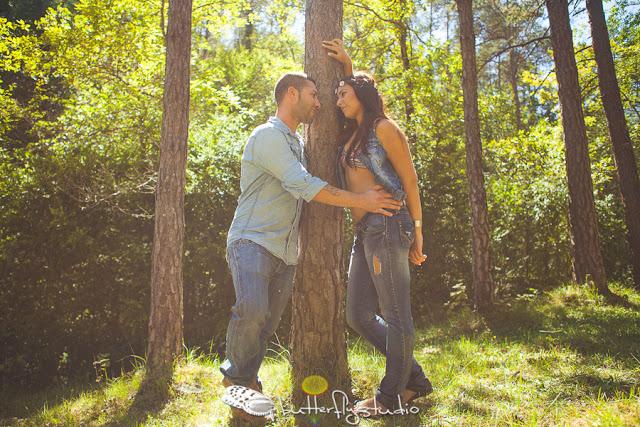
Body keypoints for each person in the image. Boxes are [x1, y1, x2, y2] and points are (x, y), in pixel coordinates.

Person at [220, 71, 404, 398]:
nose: (320, 103)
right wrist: (362, 201)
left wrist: (347, 66)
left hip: (286, 251)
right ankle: (237, 379)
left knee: (265, 325)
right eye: (314, 96)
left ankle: (246, 382)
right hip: (252, 240)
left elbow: (360, 110)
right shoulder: (267, 136)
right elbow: (303, 185)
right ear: (292, 94)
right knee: (252, 309)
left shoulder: (300, 146)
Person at [322, 39, 432, 415]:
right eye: (337, 94)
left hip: (389, 225)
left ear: (362, 95)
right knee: (357, 314)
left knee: (397, 313)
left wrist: (417, 230)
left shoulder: (383, 127)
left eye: (344, 93)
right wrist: (347, 69)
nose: (338, 99)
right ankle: (414, 380)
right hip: (365, 230)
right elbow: (352, 93)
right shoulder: (351, 130)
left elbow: (411, 179)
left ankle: (389, 397)